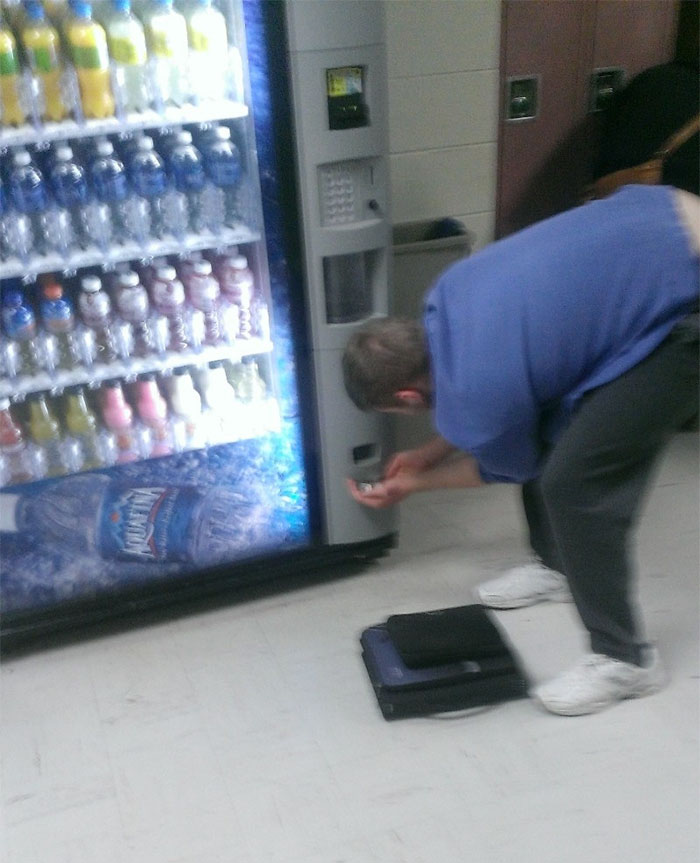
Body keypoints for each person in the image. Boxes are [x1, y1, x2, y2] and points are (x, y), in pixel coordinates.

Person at [342, 184, 700, 717]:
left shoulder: (478, 390)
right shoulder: (448, 297)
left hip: (687, 308)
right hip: (665, 214)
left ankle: (626, 660)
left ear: (407, 397)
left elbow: (508, 463)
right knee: (545, 427)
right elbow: (507, 409)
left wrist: (416, 482)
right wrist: (431, 454)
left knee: (575, 483)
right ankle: (558, 565)